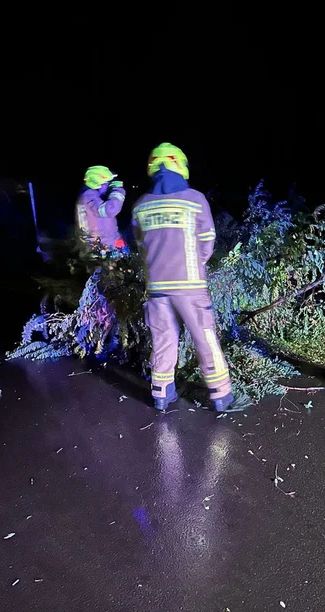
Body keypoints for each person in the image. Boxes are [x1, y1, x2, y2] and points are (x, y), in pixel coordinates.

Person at [132, 143, 235, 411]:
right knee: (204, 336)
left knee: (163, 339)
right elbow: (207, 242)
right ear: (180, 164)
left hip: (156, 287)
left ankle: (161, 393)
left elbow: (140, 245)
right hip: (189, 284)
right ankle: (221, 395)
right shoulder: (195, 199)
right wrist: (195, 265)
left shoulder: (141, 205)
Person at [75, 166, 127, 253]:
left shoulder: (91, 197)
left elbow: (107, 225)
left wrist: (118, 241)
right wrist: (118, 191)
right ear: (100, 184)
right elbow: (110, 210)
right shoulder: (89, 196)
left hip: (102, 249)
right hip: (99, 251)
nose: (107, 186)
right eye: (107, 183)